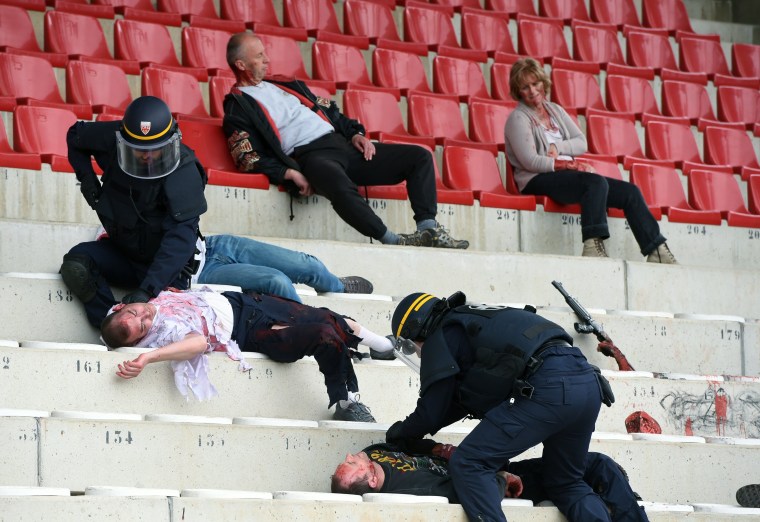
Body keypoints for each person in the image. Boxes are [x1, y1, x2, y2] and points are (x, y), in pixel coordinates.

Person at [62, 95, 374, 329]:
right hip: (149, 264)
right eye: (138, 153)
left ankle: (337, 288)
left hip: (199, 255)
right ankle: (109, 321)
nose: (146, 159)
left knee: (306, 265)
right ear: (124, 139)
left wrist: (146, 291)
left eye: (154, 152)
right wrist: (89, 183)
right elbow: (75, 136)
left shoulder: (182, 169)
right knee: (76, 265)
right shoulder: (112, 138)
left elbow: (180, 238)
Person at [221, 33, 468, 250]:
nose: (267, 60)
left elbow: (330, 111)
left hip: (342, 145)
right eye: (260, 56)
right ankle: (393, 240)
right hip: (311, 156)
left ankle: (428, 229)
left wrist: (355, 134)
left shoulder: (285, 84)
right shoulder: (238, 106)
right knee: (338, 185)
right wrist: (288, 173)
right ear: (241, 64)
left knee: (419, 157)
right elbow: (247, 157)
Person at [384, 291, 615, 522]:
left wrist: (401, 433)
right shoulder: (476, 320)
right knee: (566, 482)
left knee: (469, 463)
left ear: (417, 328)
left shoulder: (441, 334)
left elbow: (431, 411)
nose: (416, 352)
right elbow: (458, 403)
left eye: (411, 346)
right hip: (587, 382)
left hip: (548, 386)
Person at [101, 287, 395, 421]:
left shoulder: (156, 301)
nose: (145, 317)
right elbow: (198, 343)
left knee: (332, 318)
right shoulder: (163, 335)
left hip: (245, 302)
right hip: (250, 332)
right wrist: (147, 358)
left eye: (136, 312)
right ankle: (347, 400)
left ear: (121, 307)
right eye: (141, 327)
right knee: (324, 334)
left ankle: (385, 347)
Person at [504, 57, 676, 263]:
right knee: (594, 182)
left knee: (630, 192)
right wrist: (567, 164)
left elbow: (581, 142)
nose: (532, 91)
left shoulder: (555, 110)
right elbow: (530, 162)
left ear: (543, 82)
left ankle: (656, 249)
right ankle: (592, 245)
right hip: (537, 178)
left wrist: (558, 147)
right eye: (525, 87)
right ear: (518, 91)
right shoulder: (518, 119)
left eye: (535, 83)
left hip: (566, 176)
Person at [332, 443, 649, 521]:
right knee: (597, 467)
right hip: (508, 482)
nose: (349, 456)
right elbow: (470, 492)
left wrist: (437, 448)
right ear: (372, 481)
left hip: (485, 463)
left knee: (597, 464)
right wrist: (501, 478)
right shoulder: (411, 491)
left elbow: (412, 441)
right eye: (350, 466)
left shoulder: (375, 453)